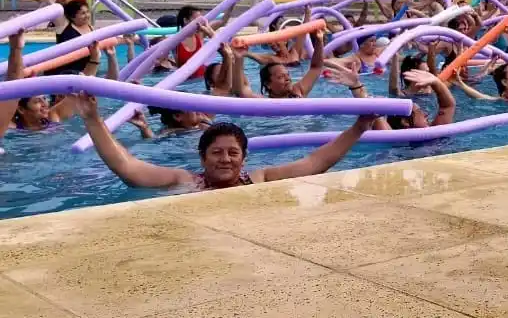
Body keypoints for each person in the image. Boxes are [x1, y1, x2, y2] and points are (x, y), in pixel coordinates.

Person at [77, 93, 375, 191]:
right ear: (203, 157)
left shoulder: (259, 178)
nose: (225, 159)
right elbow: (127, 166)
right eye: (216, 152)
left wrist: (359, 128)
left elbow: (315, 163)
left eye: (233, 153)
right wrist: (93, 119)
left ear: (243, 157)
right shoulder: (184, 181)